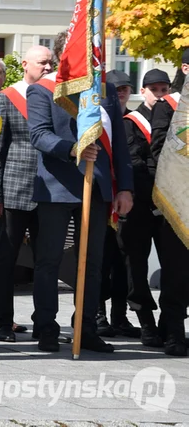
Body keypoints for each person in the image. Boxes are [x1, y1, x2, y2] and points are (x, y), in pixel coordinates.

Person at [27, 67, 134, 352]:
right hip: (56, 187)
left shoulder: (105, 89)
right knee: (48, 262)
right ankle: (46, 327)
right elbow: (38, 135)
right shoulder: (42, 89)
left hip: (96, 188)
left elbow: (118, 143)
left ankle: (86, 327)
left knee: (93, 264)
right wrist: (72, 149)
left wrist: (124, 187)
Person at [0, 45, 53, 342]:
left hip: (49, 192)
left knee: (45, 261)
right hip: (14, 190)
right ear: (25, 64)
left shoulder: (55, 96)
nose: (48, 68)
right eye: (42, 63)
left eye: (51, 63)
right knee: (6, 259)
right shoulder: (7, 99)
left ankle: (44, 323)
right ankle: (1, 321)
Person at [120, 68, 175, 349]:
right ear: (143, 91)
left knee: (173, 266)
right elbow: (133, 162)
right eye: (154, 89)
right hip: (140, 204)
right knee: (137, 267)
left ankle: (170, 322)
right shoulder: (131, 122)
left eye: (164, 89)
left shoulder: (178, 118)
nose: (159, 93)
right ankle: (146, 323)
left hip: (169, 205)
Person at [145, 62, 189, 356]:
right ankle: (174, 332)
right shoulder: (168, 104)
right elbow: (159, 151)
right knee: (177, 271)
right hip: (179, 196)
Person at [95, 70, 136, 339]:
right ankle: (97, 313)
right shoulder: (97, 115)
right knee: (100, 260)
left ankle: (119, 316)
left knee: (123, 262)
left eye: (125, 89)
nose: (121, 93)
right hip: (101, 196)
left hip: (122, 199)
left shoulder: (134, 120)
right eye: (117, 88)